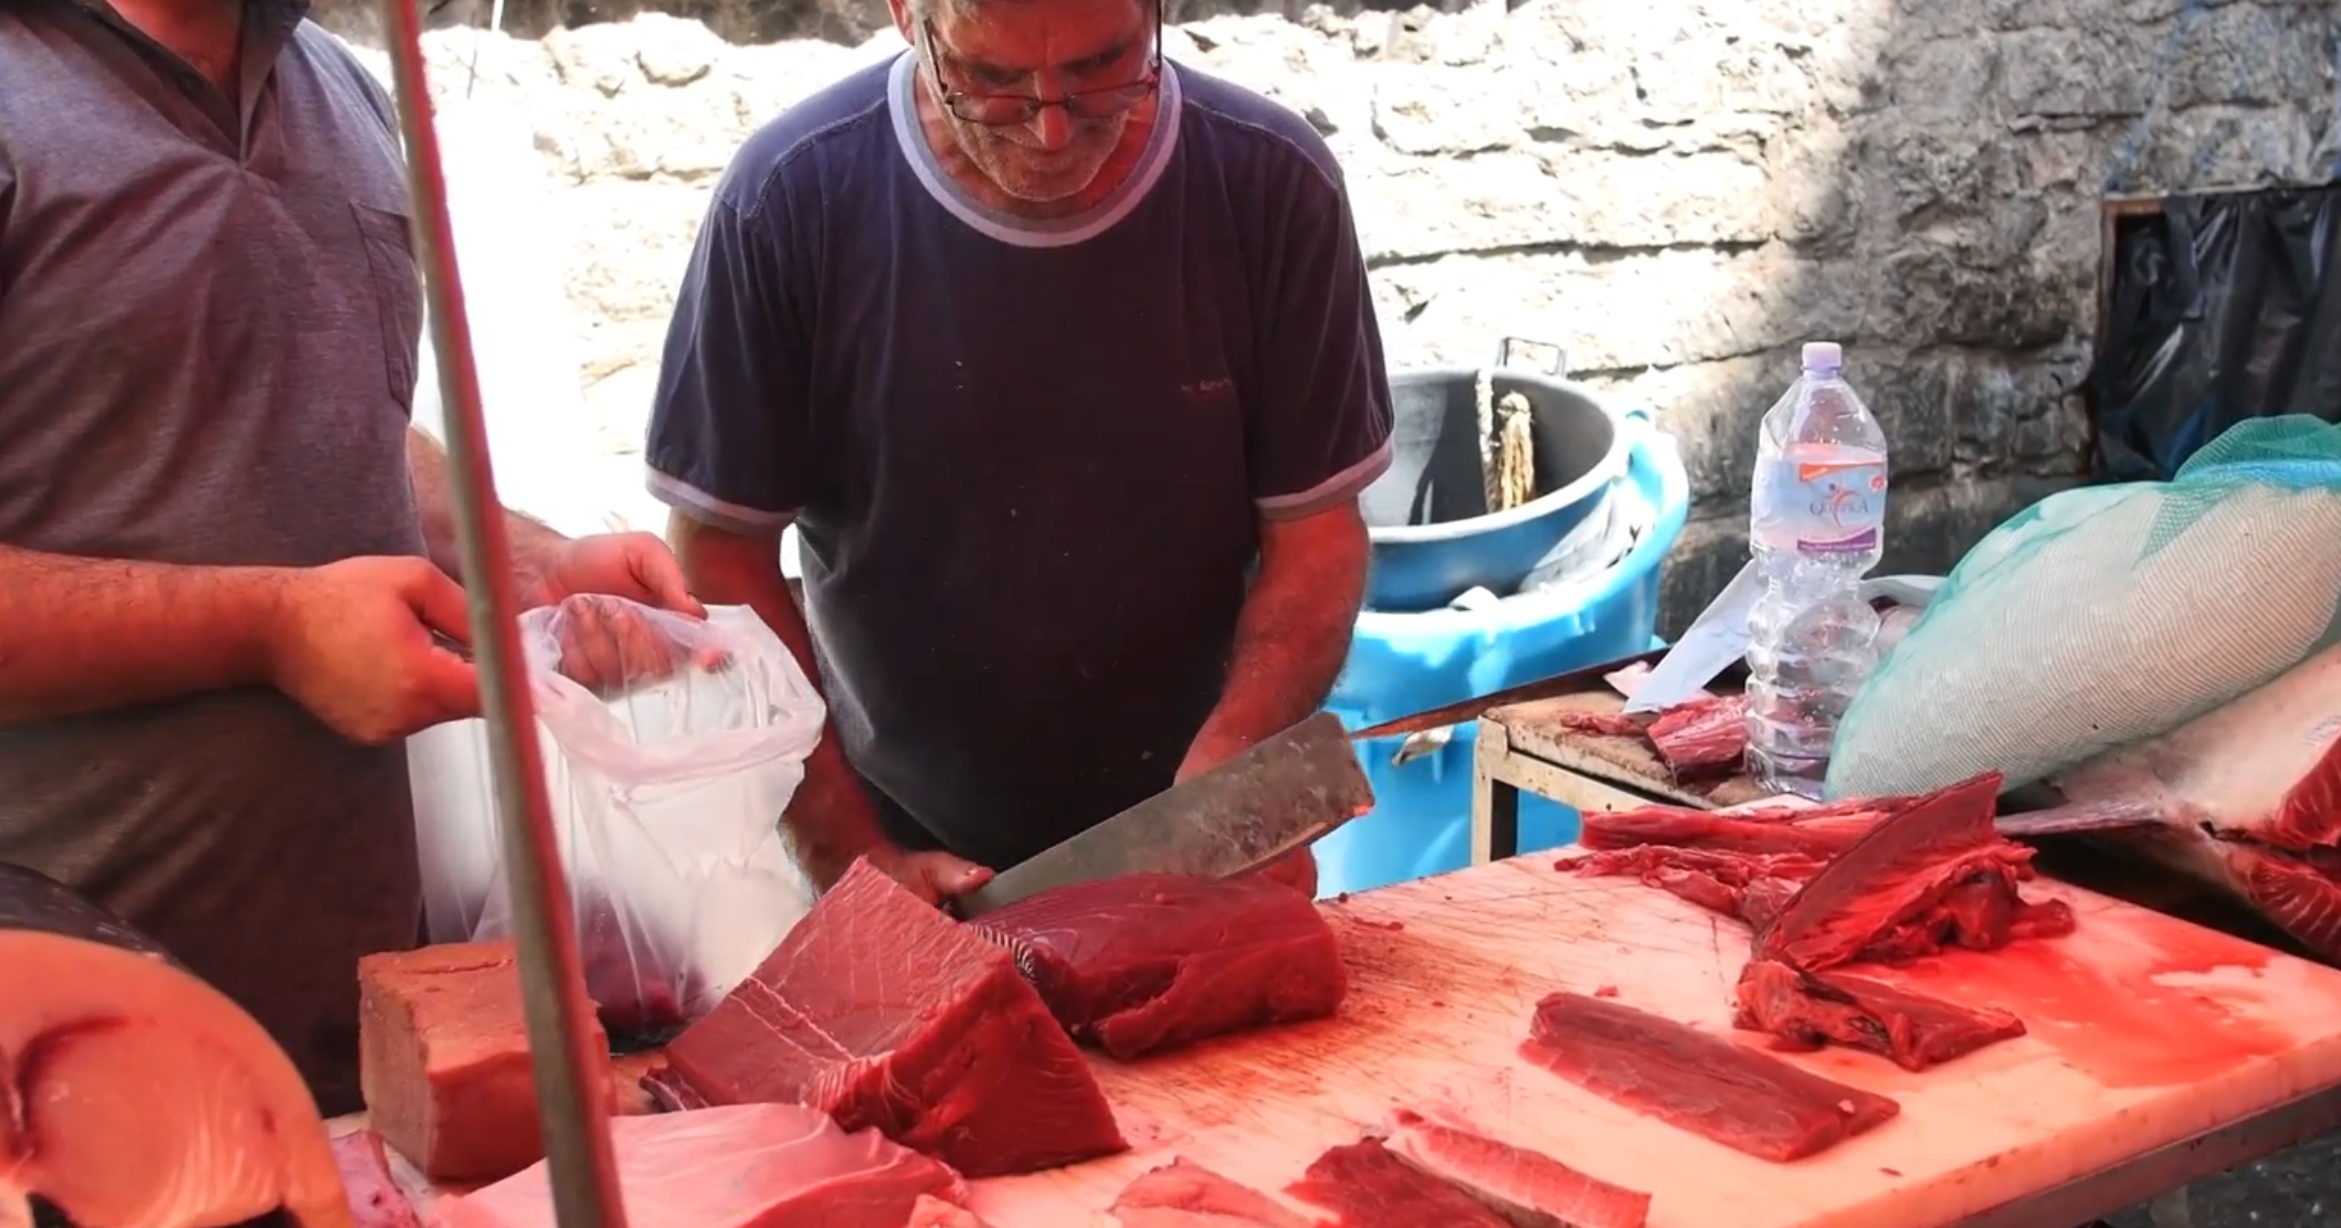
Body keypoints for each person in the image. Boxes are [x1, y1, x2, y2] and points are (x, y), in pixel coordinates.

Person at [0, 0, 700, 1117]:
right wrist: (271, 629)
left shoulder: (335, 82)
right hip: (65, 1064)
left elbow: (327, 416)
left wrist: (523, 560)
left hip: (356, 1026)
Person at [645, 0, 1395, 906]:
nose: (1050, 130)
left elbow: (1315, 537)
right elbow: (720, 558)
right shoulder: (788, 199)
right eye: (990, 81)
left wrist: (1237, 759)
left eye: (1101, 66)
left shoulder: (1270, 181)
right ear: (906, 16)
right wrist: (842, 848)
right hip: (898, 824)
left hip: (1200, 813)